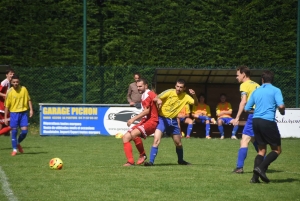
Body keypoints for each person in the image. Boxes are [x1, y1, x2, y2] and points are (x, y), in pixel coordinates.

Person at [144, 79, 198, 166]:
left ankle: (180, 160)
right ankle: (151, 162)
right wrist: (158, 100)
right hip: (162, 119)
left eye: (181, 87)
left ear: (184, 88)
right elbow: (155, 97)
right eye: (177, 86)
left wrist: (194, 96)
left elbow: (195, 103)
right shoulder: (169, 92)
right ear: (175, 86)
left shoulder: (186, 96)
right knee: (156, 140)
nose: (178, 89)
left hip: (173, 121)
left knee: (178, 143)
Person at [245, 70, 285, 183]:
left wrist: (257, 112)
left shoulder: (256, 91)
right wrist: (282, 111)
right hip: (268, 122)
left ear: (262, 80)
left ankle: (254, 178)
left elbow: (247, 109)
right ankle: (261, 168)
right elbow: (281, 105)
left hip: (255, 121)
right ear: (272, 80)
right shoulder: (276, 90)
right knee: (277, 150)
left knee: (261, 150)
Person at [122, 78, 159, 166]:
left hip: (152, 121)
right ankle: (130, 161)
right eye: (137, 86)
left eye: (140, 86)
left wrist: (133, 119)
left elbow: (147, 111)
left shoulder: (149, 94)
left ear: (146, 86)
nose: (138, 88)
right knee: (125, 137)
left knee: (134, 133)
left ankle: (142, 154)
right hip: (145, 121)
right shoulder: (144, 95)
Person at [232, 66, 260, 174]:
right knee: (253, 139)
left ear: (243, 74)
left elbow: (243, 101)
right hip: (260, 115)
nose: (236, 77)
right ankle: (265, 160)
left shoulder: (244, 85)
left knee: (244, 140)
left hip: (253, 115)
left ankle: (239, 167)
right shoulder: (257, 84)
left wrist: (237, 117)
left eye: (237, 75)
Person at [4, 74, 33, 156]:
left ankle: (17, 143)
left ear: (19, 82)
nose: (16, 83)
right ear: (11, 82)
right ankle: (14, 150)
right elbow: (7, 106)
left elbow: (29, 100)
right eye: (14, 82)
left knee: (24, 132)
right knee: (14, 131)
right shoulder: (9, 91)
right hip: (14, 114)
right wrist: (6, 117)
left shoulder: (24, 89)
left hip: (23, 113)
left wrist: (31, 110)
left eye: (17, 82)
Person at [0, 68, 14, 135]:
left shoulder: (9, 82)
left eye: (13, 74)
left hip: (5, 106)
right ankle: (13, 138)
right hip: (2, 107)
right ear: (6, 75)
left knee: (2, 123)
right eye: (10, 74)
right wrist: (6, 96)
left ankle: (12, 136)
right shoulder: (4, 82)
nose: (12, 75)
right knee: (12, 122)